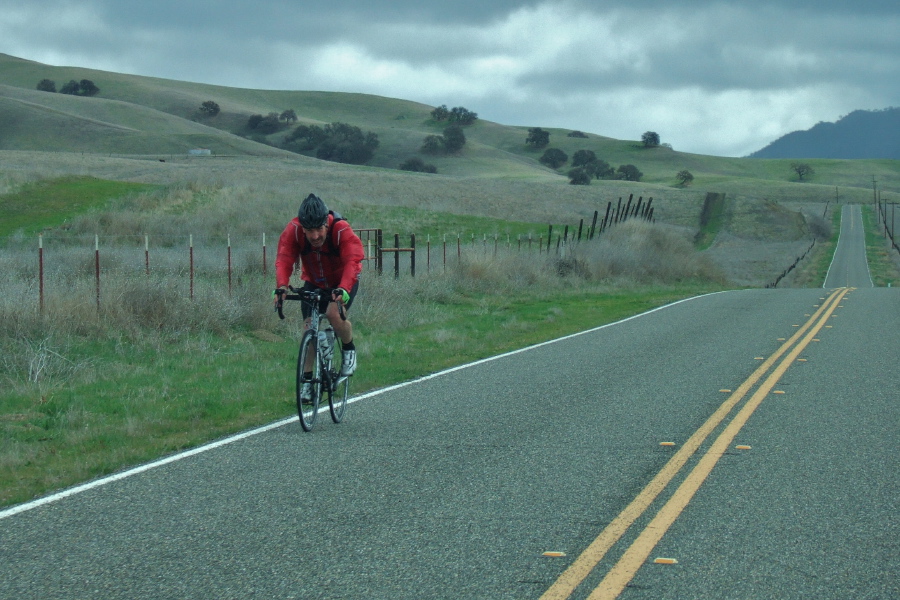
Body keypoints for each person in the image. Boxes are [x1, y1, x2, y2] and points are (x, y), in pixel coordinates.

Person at [275, 193, 364, 387]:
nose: (315, 236)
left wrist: (343, 289)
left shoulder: (340, 229)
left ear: (326, 223)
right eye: (309, 231)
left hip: (343, 280)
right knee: (309, 327)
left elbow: (353, 260)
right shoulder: (294, 231)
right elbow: (284, 258)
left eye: (318, 229)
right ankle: (307, 381)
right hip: (314, 281)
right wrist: (281, 286)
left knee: (333, 313)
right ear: (302, 227)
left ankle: (349, 349)